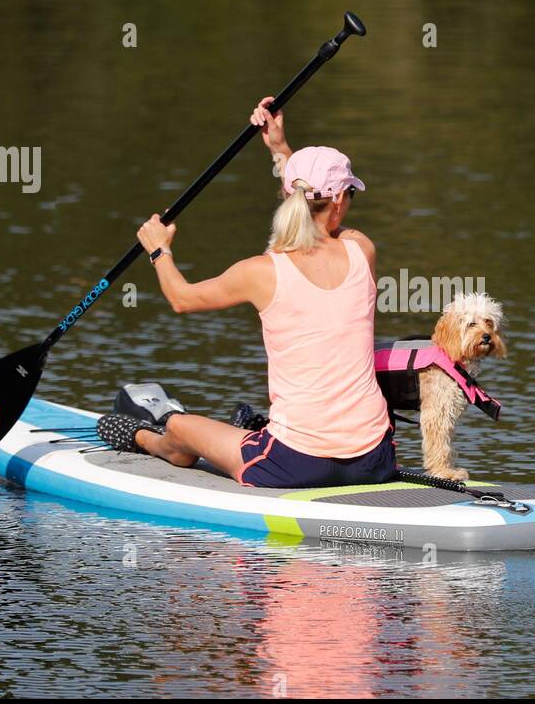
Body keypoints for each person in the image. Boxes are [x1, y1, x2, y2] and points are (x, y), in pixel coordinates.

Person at [95, 98, 396, 488]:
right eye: (350, 194)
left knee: (183, 428)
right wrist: (280, 150)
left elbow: (181, 298)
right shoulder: (362, 249)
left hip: (295, 466)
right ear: (339, 199)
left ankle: (145, 438)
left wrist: (158, 249)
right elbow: (307, 207)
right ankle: (252, 429)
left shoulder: (260, 272)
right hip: (375, 459)